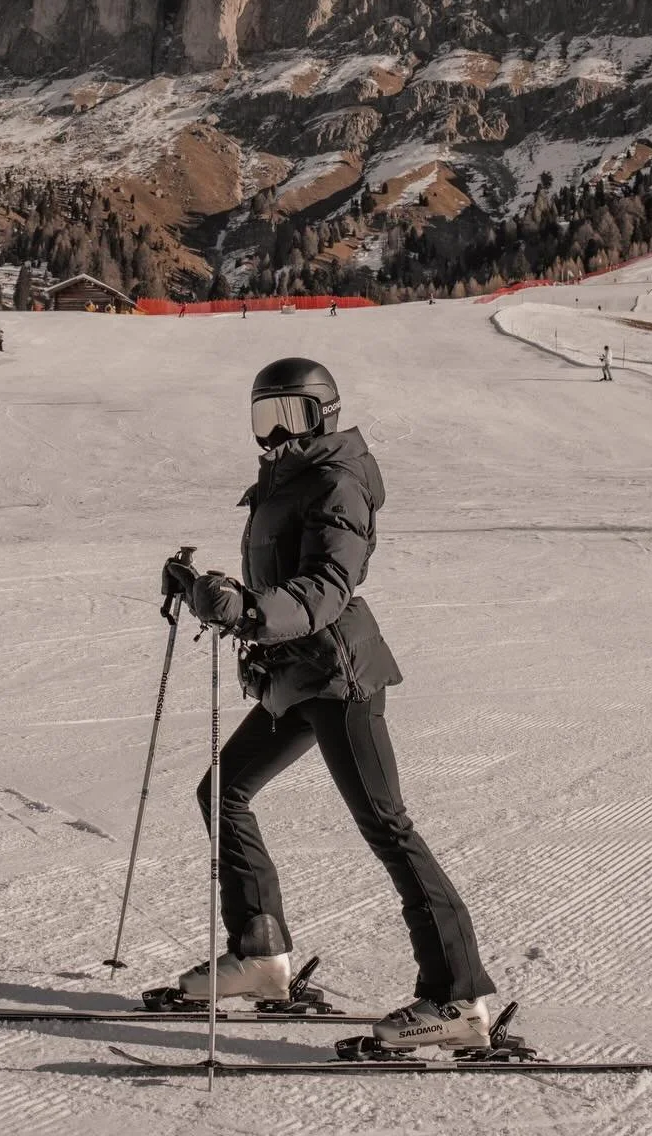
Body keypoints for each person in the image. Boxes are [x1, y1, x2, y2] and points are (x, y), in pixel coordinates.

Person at [162, 358, 496, 1051]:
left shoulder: (336, 482)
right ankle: (261, 956)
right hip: (294, 676)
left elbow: (324, 589)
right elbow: (274, 586)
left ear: (326, 416)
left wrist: (250, 610)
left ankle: (458, 997)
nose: (276, 431)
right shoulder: (285, 480)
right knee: (223, 790)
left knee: (387, 827)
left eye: (292, 414)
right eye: (265, 416)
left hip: (339, 677)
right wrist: (206, 588)